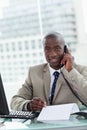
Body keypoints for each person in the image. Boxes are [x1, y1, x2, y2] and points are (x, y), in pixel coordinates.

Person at [10, 32, 87, 112]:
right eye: (47, 49)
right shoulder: (34, 72)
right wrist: (29, 105)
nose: (52, 54)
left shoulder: (81, 71)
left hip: (72, 123)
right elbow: (14, 101)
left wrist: (70, 70)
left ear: (65, 50)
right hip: (41, 123)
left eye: (57, 48)